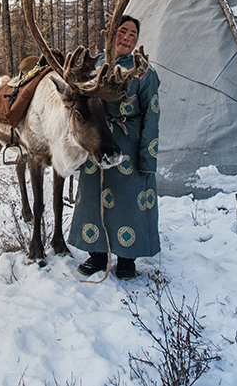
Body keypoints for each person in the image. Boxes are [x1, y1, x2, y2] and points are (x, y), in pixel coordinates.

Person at [68, 16, 161, 280]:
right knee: (93, 196)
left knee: (128, 200)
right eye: (122, 31)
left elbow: (152, 114)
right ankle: (97, 254)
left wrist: (147, 156)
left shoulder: (144, 71)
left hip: (128, 144)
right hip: (96, 139)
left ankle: (127, 259)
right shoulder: (93, 66)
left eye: (133, 34)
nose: (127, 38)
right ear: (110, 34)